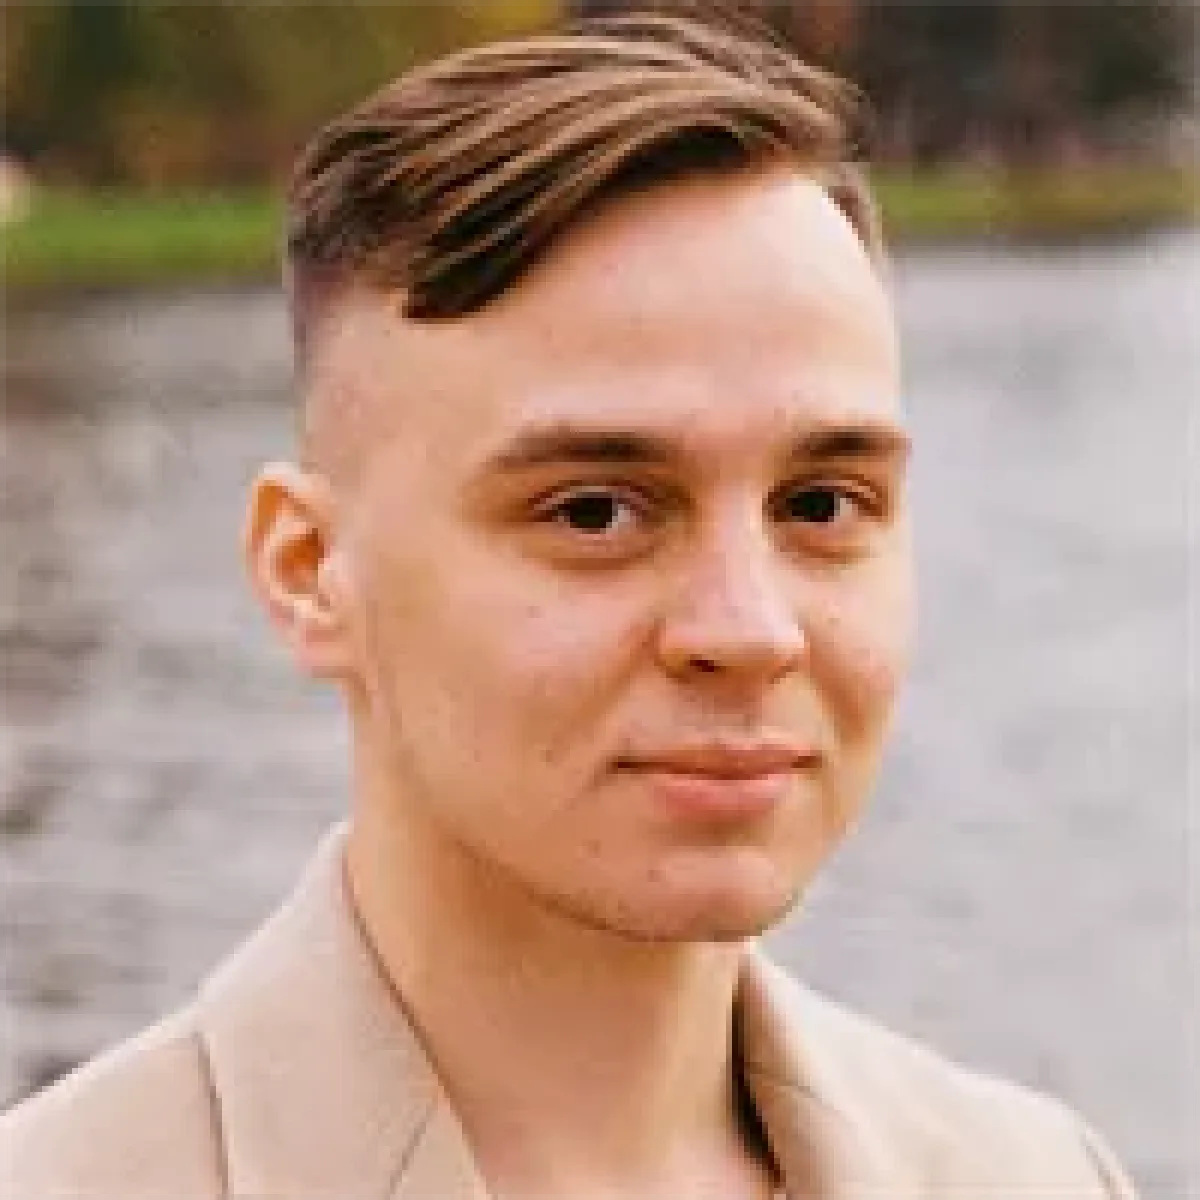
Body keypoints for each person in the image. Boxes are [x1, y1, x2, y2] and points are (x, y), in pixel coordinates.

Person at [0, 14, 1138, 1199]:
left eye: (821, 503)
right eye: (595, 512)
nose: (749, 630)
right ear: (308, 571)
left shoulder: (1036, 1174)